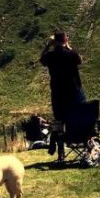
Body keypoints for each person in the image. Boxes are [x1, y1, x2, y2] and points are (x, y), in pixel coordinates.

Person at [40, 31, 85, 161]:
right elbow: (79, 60)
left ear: (54, 42)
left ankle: (60, 152)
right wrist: (68, 46)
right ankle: (84, 142)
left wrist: (47, 47)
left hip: (58, 93)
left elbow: (42, 59)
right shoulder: (71, 54)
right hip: (74, 92)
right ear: (65, 41)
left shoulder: (50, 56)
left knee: (59, 122)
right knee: (79, 116)